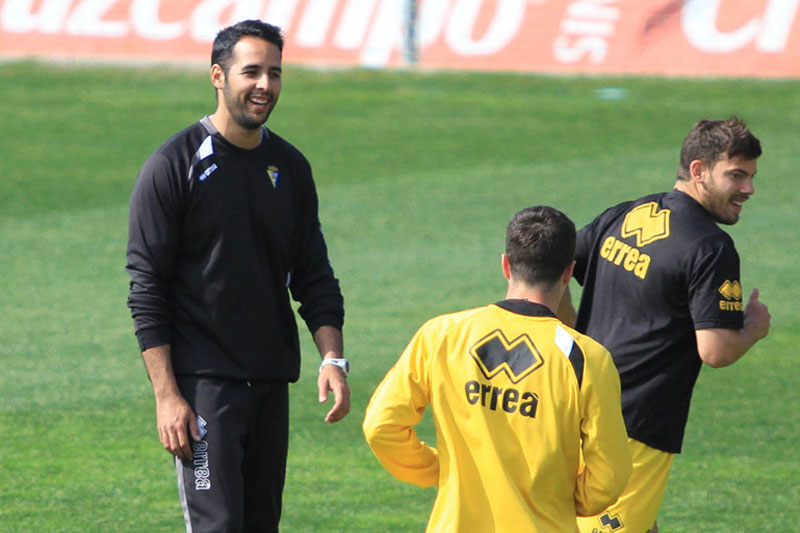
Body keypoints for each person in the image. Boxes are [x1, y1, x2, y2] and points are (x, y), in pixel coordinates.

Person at [125, 20, 350, 532]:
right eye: (251, 72)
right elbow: (147, 289)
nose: (265, 85)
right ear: (218, 76)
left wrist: (332, 357)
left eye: (274, 73)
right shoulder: (173, 165)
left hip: (270, 383)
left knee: (259, 526)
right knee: (218, 526)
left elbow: (313, 275)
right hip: (205, 390)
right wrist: (167, 396)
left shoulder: (289, 167)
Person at [363, 206, 632, 532]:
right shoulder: (587, 358)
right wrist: (569, 500)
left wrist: (438, 470)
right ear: (567, 272)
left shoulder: (442, 334)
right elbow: (610, 475)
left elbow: (381, 426)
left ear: (506, 264)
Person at [564, 117, 771, 533]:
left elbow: (554, 268)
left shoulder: (626, 212)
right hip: (634, 429)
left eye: (750, 176)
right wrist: (753, 327)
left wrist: (571, 335)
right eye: (736, 175)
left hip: (575, 408)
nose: (748, 189)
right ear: (698, 171)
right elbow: (715, 350)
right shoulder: (710, 247)